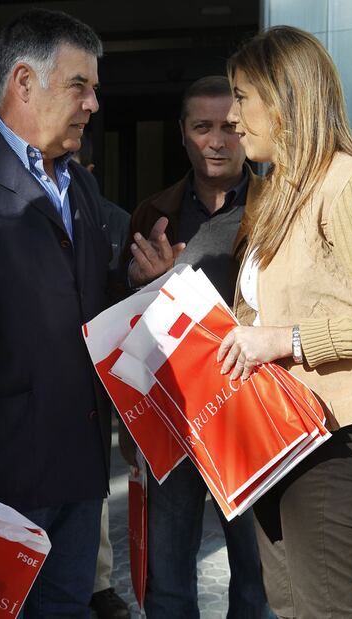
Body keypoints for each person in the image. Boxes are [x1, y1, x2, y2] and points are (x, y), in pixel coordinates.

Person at [0, 8, 113, 618]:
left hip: (80, 464)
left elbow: (84, 299)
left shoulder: (83, 188)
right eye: (80, 85)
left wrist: (138, 280)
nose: (93, 103)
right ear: (24, 82)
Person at [216, 25, 352, 619]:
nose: (231, 116)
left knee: (321, 610)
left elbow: (289, 329)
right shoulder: (275, 192)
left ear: (286, 99)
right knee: (288, 604)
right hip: (273, 436)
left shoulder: (346, 184)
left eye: (242, 96)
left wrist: (289, 341)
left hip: (332, 438)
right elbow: (262, 313)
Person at [120, 76, 274, 618]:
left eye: (230, 127)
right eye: (202, 127)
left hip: (251, 421)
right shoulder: (153, 215)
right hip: (176, 418)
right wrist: (153, 288)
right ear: (183, 134)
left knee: (257, 586)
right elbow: (125, 331)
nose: (217, 140)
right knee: (168, 581)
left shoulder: (277, 209)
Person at [74, 134, 131, 619]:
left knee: (93, 485)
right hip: (46, 375)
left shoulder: (114, 220)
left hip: (94, 379)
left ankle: (98, 583)